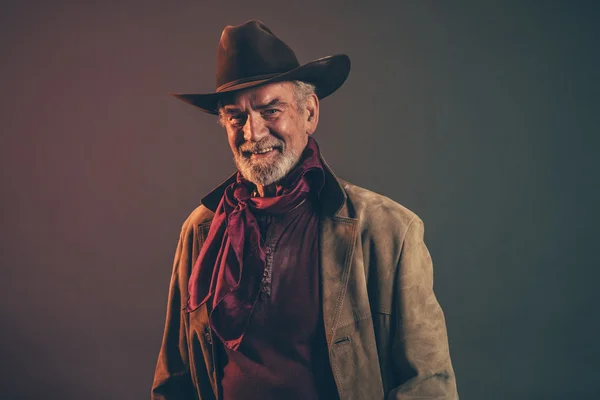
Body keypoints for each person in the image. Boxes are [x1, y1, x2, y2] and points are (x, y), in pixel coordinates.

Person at [151, 20, 458, 400]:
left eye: (270, 110)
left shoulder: (389, 230)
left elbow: (429, 385)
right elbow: (174, 382)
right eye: (236, 117)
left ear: (309, 113)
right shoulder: (201, 230)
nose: (253, 132)